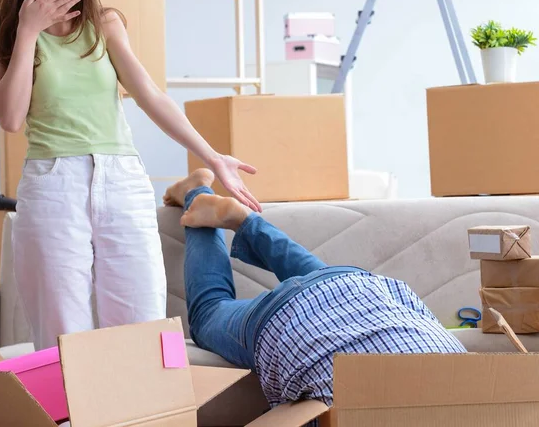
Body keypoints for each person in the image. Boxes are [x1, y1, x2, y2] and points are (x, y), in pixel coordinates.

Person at [0, 0, 261, 351]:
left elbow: (150, 95)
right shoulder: (5, 29)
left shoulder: (105, 24)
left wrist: (212, 156)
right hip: (52, 183)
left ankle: (144, 417)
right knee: (62, 334)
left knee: (143, 324)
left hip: (121, 178)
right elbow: (10, 117)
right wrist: (27, 31)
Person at [163, 169, 467, 411]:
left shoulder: (475, 384)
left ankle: (245, 220)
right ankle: (196, 194)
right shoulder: (348, 411)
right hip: (286, 318)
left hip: (363, 289)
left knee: (327, 282)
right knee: (207, 314)